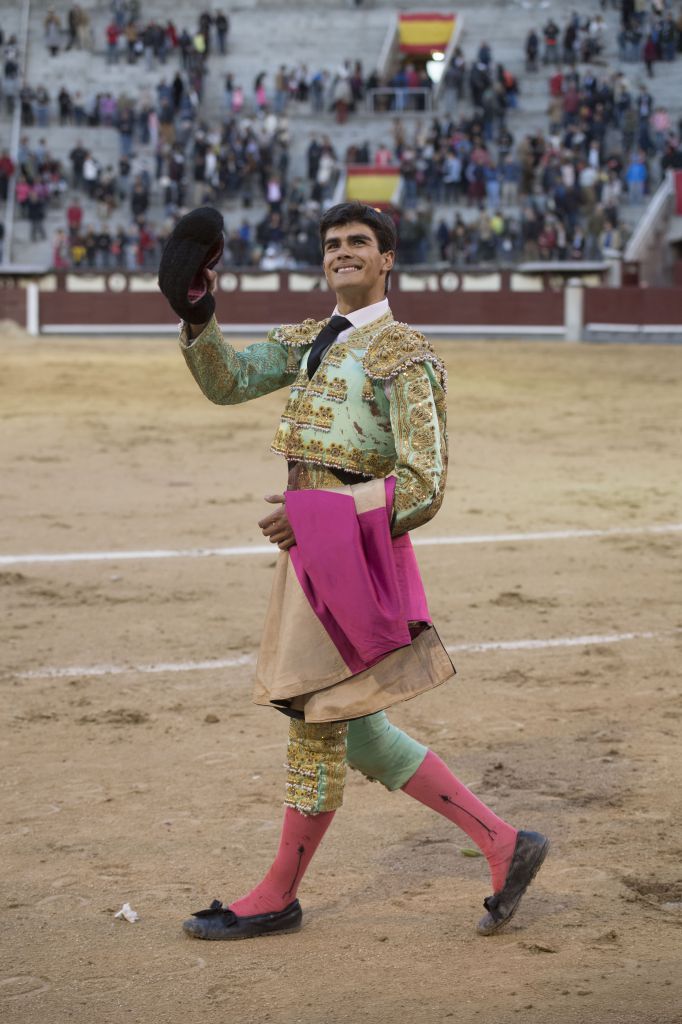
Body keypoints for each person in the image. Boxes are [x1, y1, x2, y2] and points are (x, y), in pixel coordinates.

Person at [165, 201, 549, 942]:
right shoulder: (311, 338)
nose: (343, 252)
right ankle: (505, 843)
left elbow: (425, 484)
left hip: (347, 556)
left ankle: (277, 894)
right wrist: (196, 312)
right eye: (333, 243)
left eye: (359, 243)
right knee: (357, 726)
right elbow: (228, 380)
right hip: (310, 556)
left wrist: (317, 517)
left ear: (386, 260)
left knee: (315, 717)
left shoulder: (405, 355)